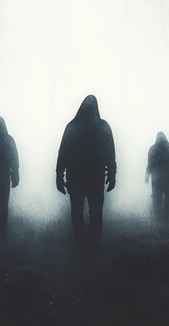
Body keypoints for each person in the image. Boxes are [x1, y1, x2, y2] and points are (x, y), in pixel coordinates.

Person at [56, 95, 116, 245]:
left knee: (77, 213)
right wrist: (112, 173)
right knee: (96, 214)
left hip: (75, 177)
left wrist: (59, 175)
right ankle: (93, 246)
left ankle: (79, 246)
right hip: (96, 177)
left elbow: (63, 152)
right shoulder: (103, 127)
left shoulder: (72, 126)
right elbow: (110, 153)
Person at [145, 131, 169, 213]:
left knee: (157, 200)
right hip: (168, 178)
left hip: (157, 179)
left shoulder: (153, 149)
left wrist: (147, 176)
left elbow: (149, 163)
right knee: (168, 200)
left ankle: (158, 219)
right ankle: (166, 218)